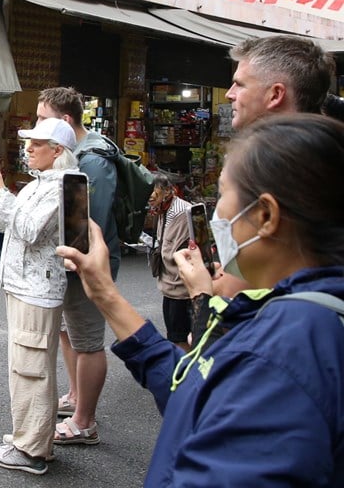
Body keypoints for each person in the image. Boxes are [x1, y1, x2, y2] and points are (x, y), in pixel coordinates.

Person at [57, 113, 344, 486]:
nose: (217, 212)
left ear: (266, 215)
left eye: (224, 193)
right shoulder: (294, 315)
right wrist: (104, 292)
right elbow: (196, 390)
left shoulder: (280, 355)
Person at [0, 117, 79, 476]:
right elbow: (3, 223)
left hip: (37, 289)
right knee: (27, 365)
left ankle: (32, 449)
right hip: (25, 286)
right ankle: (31, 438)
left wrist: (1, 191)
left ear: (57, 150)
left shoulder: (62, 185)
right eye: (29, 143)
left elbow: (28, 229)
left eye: (37, 144)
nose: (29, 149)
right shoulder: (42, 183)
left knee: (31, 368)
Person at [213, 35, 336, 297]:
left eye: (240, 84)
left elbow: (239, 286)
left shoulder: (279, 167)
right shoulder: (324, 153)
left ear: (275, 94)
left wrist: (203, 294)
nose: (229, 94)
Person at [35, 87, 116, 446]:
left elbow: (92, 222)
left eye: (43, 118)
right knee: (70, 333)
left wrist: (80, 261)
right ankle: (75, 398)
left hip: (86, 264)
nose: (37, 124)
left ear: (65, 120)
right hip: (68, 262)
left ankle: (85, 422)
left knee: (89, 341)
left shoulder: (93, 160)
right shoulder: (73, 153)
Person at [147, 174, 193, 350]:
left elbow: (170, 250)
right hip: (172, 285)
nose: (151, 197)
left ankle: (185, 365)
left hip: (179, 286)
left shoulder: (179, 212)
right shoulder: (164, 208)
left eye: (155, 191)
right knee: (176, 334)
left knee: (180, 337)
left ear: (167, 191)